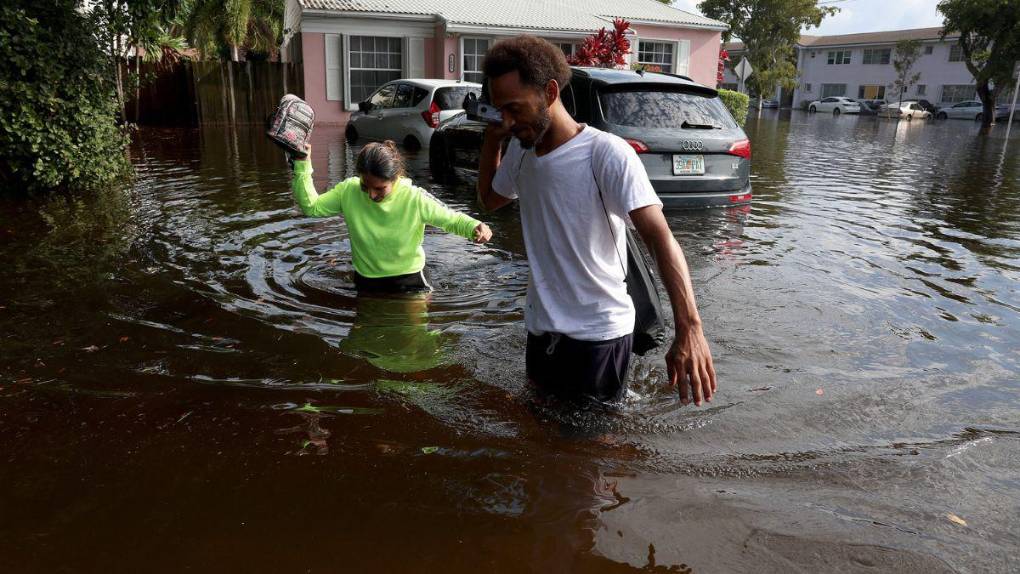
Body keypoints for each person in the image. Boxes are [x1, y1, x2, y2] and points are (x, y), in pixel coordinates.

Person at [476, 36, 717, 406]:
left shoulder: (605, 154)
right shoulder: (521, 152)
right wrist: (493, 140)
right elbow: (490, 200)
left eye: (514, 108)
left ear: (550, 92)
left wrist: (690, 328)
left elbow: (660, 237)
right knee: (540, 427)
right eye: (500, 110)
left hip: (598, 336)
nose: (507, 120)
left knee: (594, 439)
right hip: (541, 329)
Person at [291, 141, 493, 293]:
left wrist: (474, 227)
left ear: (395, 178)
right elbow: (312, 207)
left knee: (414, 333)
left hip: (410, 280)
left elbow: (451, 218)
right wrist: (302, 164)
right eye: (365, 186)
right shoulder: (348, 191)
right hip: (365, 280)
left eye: (380, 188)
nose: (371, 195)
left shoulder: (414, 197)